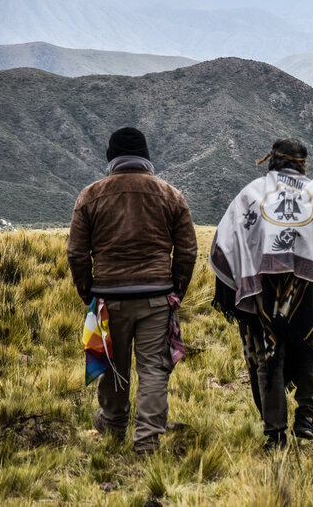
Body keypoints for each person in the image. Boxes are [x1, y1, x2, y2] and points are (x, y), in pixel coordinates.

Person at [210, 138, 313, 451]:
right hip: (310, 291)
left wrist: (240, 285)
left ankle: (275, 434)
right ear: (301, 163)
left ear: (272, 161)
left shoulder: (253, 194)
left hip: (262, 292)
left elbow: (226, 241)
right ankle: (307, 418)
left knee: (270, 356)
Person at [67, 127, 197, 455]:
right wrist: (176, 291)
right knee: (153, 368)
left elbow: (76, 253)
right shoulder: (170, 195)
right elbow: (188, 250)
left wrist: (88, 292)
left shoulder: (90, 195)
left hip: (108, 299)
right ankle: (148, 441)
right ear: (146, 158)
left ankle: (112, 425)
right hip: (155, 297)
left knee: (112, 363)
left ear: (112, 158)